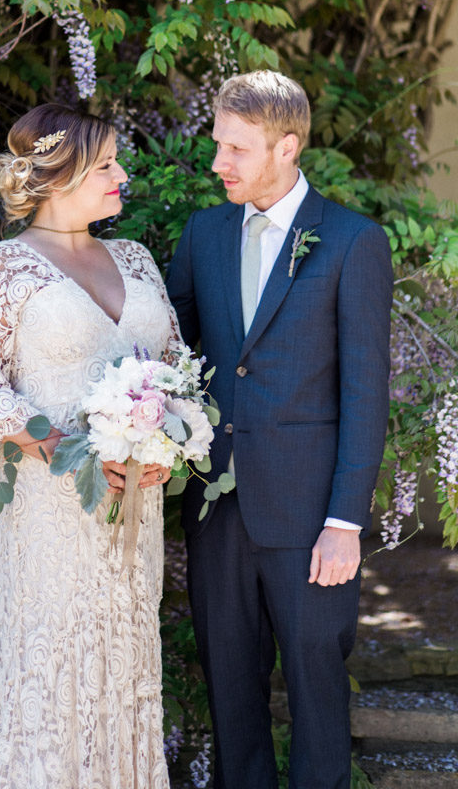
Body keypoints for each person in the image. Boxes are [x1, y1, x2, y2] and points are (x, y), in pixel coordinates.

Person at [166, 70, 392, 789]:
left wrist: (344, 523)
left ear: (287, 147)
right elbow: (177, 360)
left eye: (235, 149)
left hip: (308, 519)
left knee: (316, 695)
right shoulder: (203, 232)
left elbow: (365, 392)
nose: (217, 163)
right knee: (231, 699)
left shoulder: (354, 242)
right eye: (217, 145)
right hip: (216, 511)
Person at [0, 103, 180, 789]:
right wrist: (73, 449)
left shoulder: (133, 258)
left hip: (134, 508)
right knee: (53, 670)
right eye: (106, 165)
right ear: (57, 174)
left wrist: (166, 442)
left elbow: (179, 371)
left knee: (128, 669)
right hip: (48, 512)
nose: (121, 176)